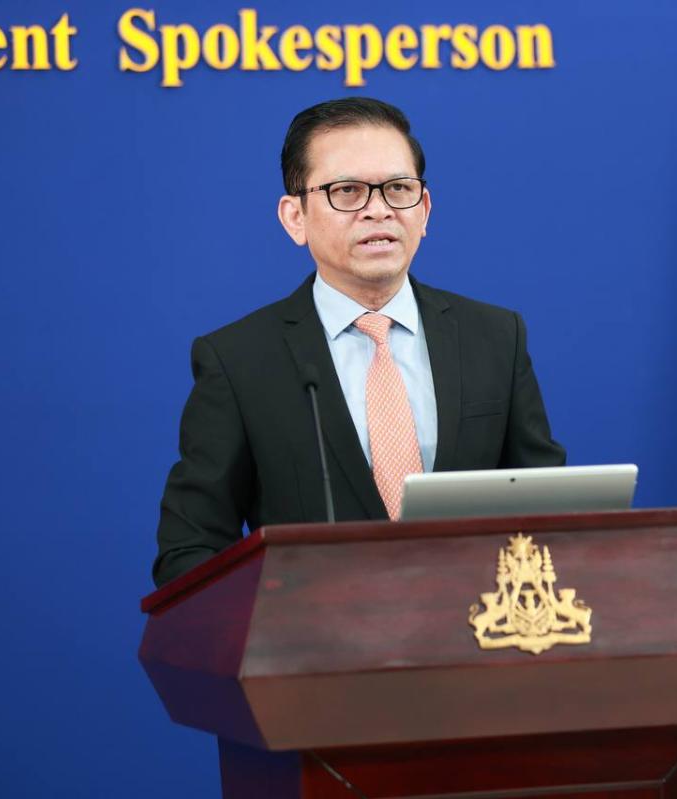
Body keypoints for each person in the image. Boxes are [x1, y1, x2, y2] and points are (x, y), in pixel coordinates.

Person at [152, 97, 565, 587]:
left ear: (424, 210)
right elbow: (190, 551)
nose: (379, 210)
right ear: (295, 217)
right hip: (313, 630)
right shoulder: (239, 361)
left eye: (398, 188)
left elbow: (553, 514)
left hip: (473, 626)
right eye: (347, 191)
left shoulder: (495, 337)